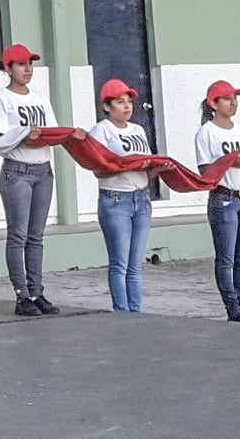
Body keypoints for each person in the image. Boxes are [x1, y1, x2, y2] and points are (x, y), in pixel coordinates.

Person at [0, 44, 80, 317]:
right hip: (17, 171)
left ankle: (37, 291)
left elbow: (51, 130)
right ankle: (21, 295)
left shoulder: (39, 96)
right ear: (7, 68)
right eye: (20, 64)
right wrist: (23, 134)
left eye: (30, 63)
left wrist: (70, 135)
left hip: (42, 170)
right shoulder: (1, 99)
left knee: (36, 236)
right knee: (17, 235)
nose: (27, 69)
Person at [87, 79, 166, 313]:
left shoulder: (139, 130)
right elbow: (97, 169)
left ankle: (136, 311)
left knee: (135, 265)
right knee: (119, 264)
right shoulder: (101, 130)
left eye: (129, 101)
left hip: (140, 198)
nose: (126, 106)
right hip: (116, 199)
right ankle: (122, 312)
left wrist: (158, 169)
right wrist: (125, 166)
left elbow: (146, 167)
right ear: (107, 106)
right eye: (120, 102)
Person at [195, 80, 240, 323]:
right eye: (227, 98)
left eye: (234, 98)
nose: (233, 102)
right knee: (226, 258)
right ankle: (233, 309)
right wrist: (233, 162)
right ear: (213, 104)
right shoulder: (206, 132)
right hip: (224, 197)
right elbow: (206, 171)